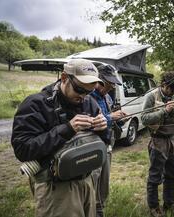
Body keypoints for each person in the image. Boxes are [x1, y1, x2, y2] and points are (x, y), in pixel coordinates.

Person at [11, 59, 108, 217]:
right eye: (79, 89)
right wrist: (67, 129)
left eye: (89, 92)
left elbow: (105, 141)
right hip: (56, 188)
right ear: (64, 78)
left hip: (87, 180)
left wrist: (103, 129)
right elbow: (23, 149)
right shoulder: (36, 104)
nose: (83, 96)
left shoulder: (89, 102)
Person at [141, 71, 174, 217]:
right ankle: (154, 207)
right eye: (172, 89)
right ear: (164, 85)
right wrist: (164, 110)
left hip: (172, 140)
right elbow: (144, 118)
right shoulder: (151, 96)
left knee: (172, 173)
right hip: (158, 140)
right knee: (155, 176)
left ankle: (169, 202)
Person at [90, 64, 126, 217]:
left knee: (103, 187)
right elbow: (89, 122)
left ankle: (100, 211)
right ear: (99, 80)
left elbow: (110, 118)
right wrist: (111, 117)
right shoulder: (88, 97)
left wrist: (120, 119)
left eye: (113, 83)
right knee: (92, 184)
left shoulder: (107, 98)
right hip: (92, 148)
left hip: (106, 146)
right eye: (109, 83)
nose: (111, 87)